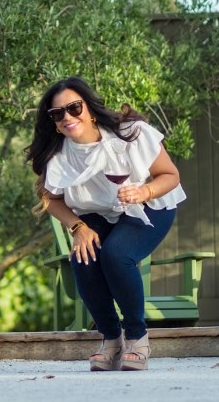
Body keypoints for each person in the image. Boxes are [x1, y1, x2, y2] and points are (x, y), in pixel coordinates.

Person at [26, 77, 186, 372]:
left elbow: (170, 175)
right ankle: (112, 340)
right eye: (57, 113)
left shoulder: (130, 134)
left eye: (74, 108)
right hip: (99, 211)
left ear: (90, 108)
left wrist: (144, 191)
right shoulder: (59, 154)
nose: (67, 117)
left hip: (151, 204)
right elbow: (51, 199)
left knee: (116, 255)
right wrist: (77, 227)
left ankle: (138, 338)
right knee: (83, 258)